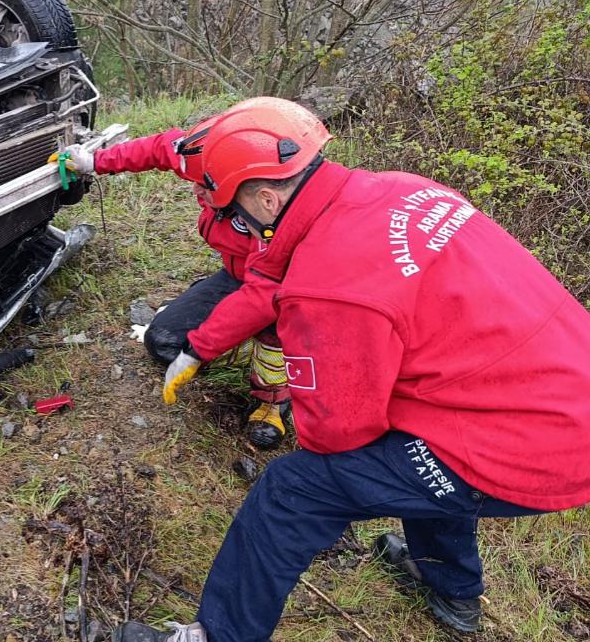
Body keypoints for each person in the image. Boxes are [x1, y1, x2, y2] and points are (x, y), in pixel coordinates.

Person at [111, 98, 590, 642]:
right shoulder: (402, 189)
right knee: (419, 450)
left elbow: (338, 431)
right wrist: (204, 344)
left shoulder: (326, 286)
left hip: (536, 447)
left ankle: (220, 635)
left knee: (295, 489)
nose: (229, 224)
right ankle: (453, 591)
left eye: (229, 211)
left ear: (267, 199)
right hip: (562, 389)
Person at [53, 106, 293, 449]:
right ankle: (245, 343)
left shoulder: (273, 214)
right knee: (163, 342)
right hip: (236, 277)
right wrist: (94, 162)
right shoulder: (210, 158)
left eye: (204, 186)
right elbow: (158, 148)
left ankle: (273, 400)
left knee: (272, 330)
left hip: (281, 292)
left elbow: (262, 295)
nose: (197, 192)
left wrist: (200, 350)